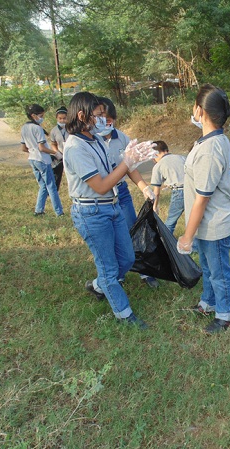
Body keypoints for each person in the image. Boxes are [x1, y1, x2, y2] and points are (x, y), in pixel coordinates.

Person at [62, 92, 157, 329]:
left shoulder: (94, 141)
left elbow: (116, 171)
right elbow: (102, 185)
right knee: (110, 268)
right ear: (82, 116)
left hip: (112, 207)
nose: (102, 120)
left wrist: (130, 160)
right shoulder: (75, 147)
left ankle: (98, 285)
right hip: (92, 214)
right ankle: (125, 315)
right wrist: (127, 161)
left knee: (127, 257)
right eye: (98, 115)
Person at [177, 84, 230, 334]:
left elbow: (202, 199)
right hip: (206, 222)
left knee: (218, 271)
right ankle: (208, 302)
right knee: (207, 266)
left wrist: (186, 237)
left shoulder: (211, 148)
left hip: (214, 222)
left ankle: (224, 314)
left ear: (200, 110)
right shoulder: (210, 140)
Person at [97, 97, 160, 289]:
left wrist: (144, 187)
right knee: (110, 238)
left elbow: (129, 167)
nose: (106, 124)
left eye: (109, 120)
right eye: (102, 118)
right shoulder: (91, 141)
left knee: (132, 231)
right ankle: (118, 274)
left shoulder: (122, 138)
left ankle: (143, 270)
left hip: (121, 193)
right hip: (101, 196)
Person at [20, 104, 64, 216]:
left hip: (32, 159)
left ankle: (39, 210)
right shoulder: (37, 128)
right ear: (33, 115)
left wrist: (33, 151)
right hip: (42, 160)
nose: (42, 118)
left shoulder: (24, 127)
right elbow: (42, 148)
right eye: (41, 115)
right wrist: (55, 153)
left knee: (43, 185)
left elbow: (23, 148)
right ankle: (59, 212)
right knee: (51, 186)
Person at [150, 140, 186, 234]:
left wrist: (155, 206)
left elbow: (156, 192)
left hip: (179, 192)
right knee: (195, 220)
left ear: (155, 154)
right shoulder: (181, 157)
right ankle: (194, 246)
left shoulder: (158, 166)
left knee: (170, 221)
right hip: (193, 190)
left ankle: (165, 243)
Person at [49, 106, 68, 191]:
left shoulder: (72, 129)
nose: (62, 120)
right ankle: (54, 190)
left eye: (64, 118)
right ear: (56, 118)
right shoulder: (54, 131)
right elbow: (53, 143)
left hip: (71, 154)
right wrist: (57, 152)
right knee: (57, 174)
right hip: (60, 155)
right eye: (60, 118)